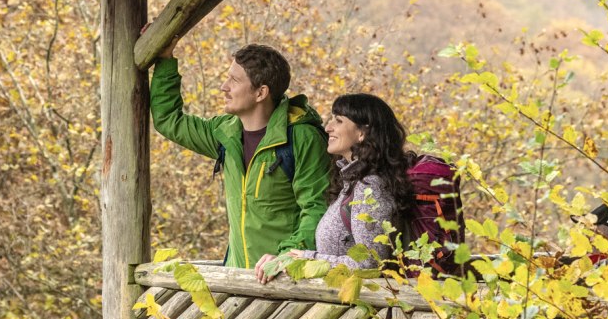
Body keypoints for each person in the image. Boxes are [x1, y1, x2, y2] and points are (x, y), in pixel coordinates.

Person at [150, 43, 332, 269]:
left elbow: (316, 209)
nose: (223, 87)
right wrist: (165, 59)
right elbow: (169, 120)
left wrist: (286, 258)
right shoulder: (225, 133)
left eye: (234, 81)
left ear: (260, 92)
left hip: (285, 282)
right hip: (239, 284)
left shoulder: (302, 138)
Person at [269, 94, 414, 277]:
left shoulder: (370, 187)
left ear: (362, 133)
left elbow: (370, 263)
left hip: (364, 303)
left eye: (338, 121)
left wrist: (308, 258)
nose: (328, 128)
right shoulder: (351, 183)